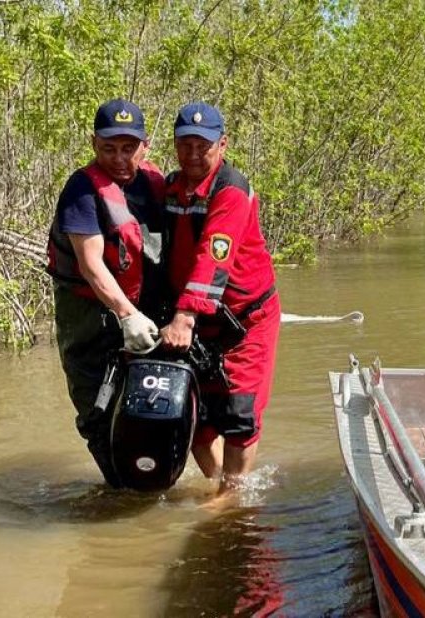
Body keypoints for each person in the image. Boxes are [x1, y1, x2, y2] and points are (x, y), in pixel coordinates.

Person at [158, 102, 280, 493]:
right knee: (192, 415)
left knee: (240, 414)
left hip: (246, 320)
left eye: (203, 146)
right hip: (199, 320)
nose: (194, 155)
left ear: (222, 145)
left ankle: (231, 496)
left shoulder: (232, 189)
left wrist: (184, 316)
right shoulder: (171, 187)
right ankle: (219, 486)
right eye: (185, 145)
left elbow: (215, 253)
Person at [47, 99, 168, 485]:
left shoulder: (154, 183)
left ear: (145, 146)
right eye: (109, 148)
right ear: (94, 143)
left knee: (154, 406)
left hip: (147, 313)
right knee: (99, 414)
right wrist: (126, 314)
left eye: (128, 148)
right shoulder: (82, 190)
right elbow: (90, 263)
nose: (119, 158)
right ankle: (119, 491)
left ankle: (152, 486)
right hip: (89, 320)